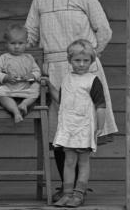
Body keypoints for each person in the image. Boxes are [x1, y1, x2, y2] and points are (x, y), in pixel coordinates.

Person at [24, 0, 118, 191]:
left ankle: (79, 186)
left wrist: (86, 58)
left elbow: (104, 31)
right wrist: (31, 65)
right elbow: (30, 35)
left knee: (83, 124)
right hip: (54, 70)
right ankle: (66, 186)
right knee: (61, 129)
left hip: (84, 70)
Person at [50, 40, 108, 208]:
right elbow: (62, 101)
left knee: (83, 161)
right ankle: (67, 194)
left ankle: (79, 194)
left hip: (84, 128)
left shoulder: (93, 80)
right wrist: (48, 86)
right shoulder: (67, 79)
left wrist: (100, 126)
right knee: (69, 161)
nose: (81, 64)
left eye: (86, 61)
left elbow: (101, 106)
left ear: (91, 61)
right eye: (77, 60)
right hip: (69, 128)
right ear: (70, 60)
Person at [0, 23, 42, 123]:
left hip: (25, 88)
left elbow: (37, 72)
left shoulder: (29, 58)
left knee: (36, 87)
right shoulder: (4, 58)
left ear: (26, 43)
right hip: (9, 88)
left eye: (20, 43)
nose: (17, 46)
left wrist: (31, 76)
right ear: (6, 44)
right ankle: (16, 112)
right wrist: (5, 77)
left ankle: (24, 104)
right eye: (13, 43)